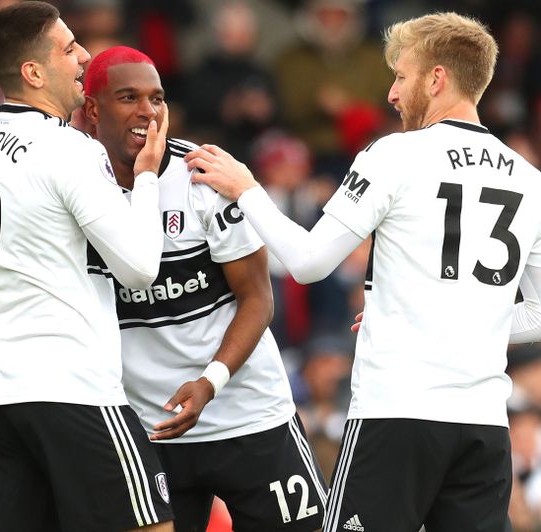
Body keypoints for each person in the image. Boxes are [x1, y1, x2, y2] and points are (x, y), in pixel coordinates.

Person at [0, 46, 327, 531]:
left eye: (157, 98)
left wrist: (212, 382)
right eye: (129, 97)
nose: (148, 111)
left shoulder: (202, 177)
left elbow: (257, 298)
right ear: (93, 108)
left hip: (246, 414)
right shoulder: (70, 176)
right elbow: (40, 283)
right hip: (150, 429)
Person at [185, 12, 541, 532]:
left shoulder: (395, 154)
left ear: (436, 78)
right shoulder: (531, 180)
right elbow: (537, 312)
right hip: (484, 426)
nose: (392, 94)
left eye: (400, 76)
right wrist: (449, 324)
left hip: (395, 414)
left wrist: (246, 189)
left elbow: (306, 264)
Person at [0, 3, 173, 531]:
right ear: (33, 72)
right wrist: (147, 176)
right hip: (74, 391)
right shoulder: (67, 148)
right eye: (69, 48)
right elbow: (139, 267)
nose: (84, 56)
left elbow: (22, 266)